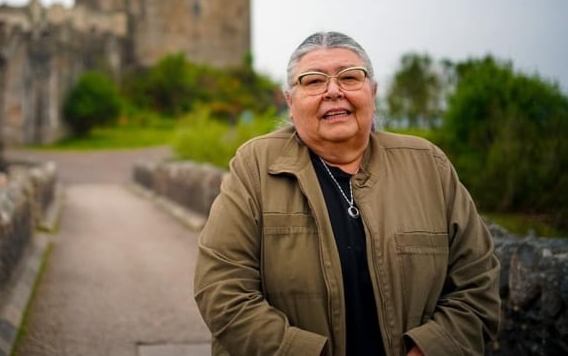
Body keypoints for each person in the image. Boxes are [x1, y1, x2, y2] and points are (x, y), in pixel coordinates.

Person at [194, 31, 500, 356]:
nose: (334, 91)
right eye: (313, 82)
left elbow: (478, 281)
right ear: (290, 100)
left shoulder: (428, 165)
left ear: (373, 91)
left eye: (350, 77)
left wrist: (429, 350)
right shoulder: (255, 165)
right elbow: (221, 287)